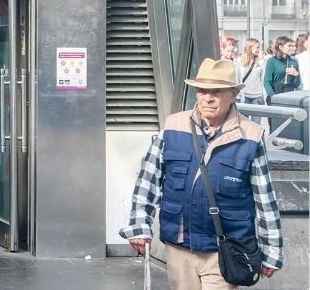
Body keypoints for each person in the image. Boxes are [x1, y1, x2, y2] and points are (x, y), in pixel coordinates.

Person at [121, 57, 283, 286]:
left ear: (234, 93)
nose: (207, 98)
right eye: (202, 90)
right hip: (179, 247)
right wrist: (139, 224)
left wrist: (272, 249)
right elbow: (148, 179)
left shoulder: (251, 135)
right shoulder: (173, 126)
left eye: (216, 91)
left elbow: (265, 199)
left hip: (225, 250)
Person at [263, 35, 301, 101]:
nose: (292, 48)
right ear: (280, 47)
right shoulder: (271, 61)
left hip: (289, 96)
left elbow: (296, 85)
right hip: (275, 94)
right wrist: (274, 97)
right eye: (289, 46)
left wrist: (296, 75)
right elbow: (267, 82)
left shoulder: (294, 62)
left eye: (292, 46)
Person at [235, 37, 266, 117]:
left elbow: (263, 80)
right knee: (244, 124)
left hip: (257, 96)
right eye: (257, 47)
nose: (258, 50)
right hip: (244, 96)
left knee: (256, 125)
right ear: (249, 47)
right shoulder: (239, 61)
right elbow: (238, 79)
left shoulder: (261, 61)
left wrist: (263, 95)